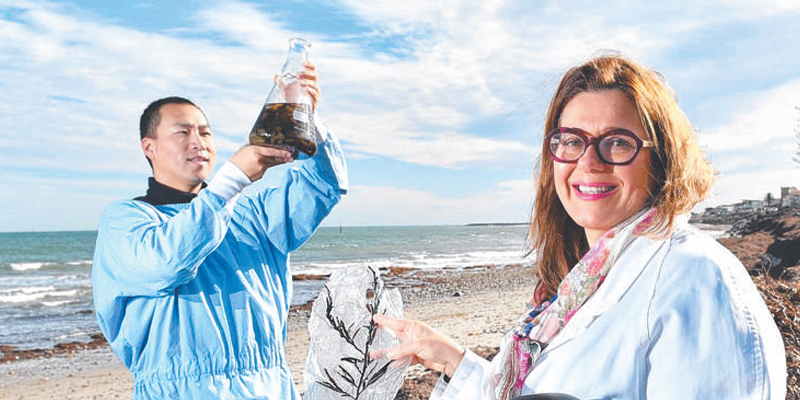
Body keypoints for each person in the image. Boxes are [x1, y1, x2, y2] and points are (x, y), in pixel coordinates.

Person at [373, 54, 786, 399]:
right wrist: (449, 358)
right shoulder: (582, 283)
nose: (588, 162)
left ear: (661, 159)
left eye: (618, 142)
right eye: (571, 140)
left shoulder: (694, 280)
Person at [92, 62, 348, 399]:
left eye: (205, 132)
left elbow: (323, 186)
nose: (198, 142)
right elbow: (167, 262)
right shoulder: (125, 221)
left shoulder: (252, 215)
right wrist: (235, 178)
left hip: (270, 387)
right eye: (183, 132)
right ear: (149, 147)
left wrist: (306, 118)